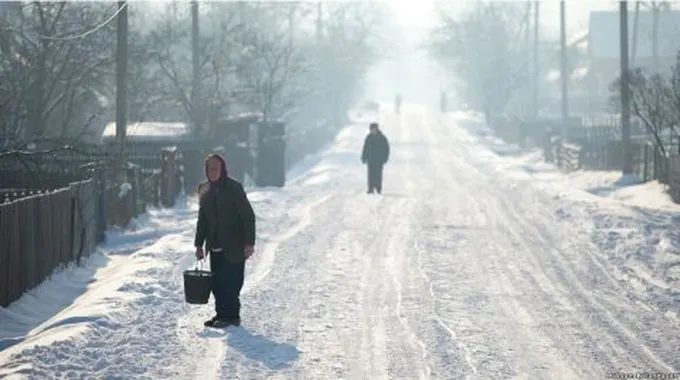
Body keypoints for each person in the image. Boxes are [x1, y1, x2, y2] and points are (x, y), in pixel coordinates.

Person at [194, 153, 256, 328]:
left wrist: (249, 242)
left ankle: (232, 316)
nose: (212, 172)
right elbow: (203, 220)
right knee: (217, 282)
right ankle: (221, 314)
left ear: (222, 169)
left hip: (235, 244)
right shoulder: (204, 190)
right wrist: (199, 244)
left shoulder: (234, 188)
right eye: (209, 169)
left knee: (232, 282)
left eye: (215, 168)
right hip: (214, 245)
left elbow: (248, 216)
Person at [361, 122, 390, 194]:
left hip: (379, 160)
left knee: (378, 174)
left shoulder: (382, 138)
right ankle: (370, 188)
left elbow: (386, 149)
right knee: (370, 174)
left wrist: (385, 158)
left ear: (377, 129)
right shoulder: (368, 138)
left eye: (374, 129)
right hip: (370, 159)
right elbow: (365, 148)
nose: (373, 131)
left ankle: (378, 188)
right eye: (372, 129)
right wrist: (363, 157)